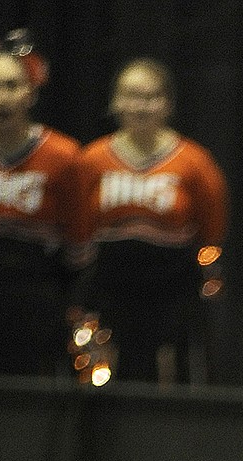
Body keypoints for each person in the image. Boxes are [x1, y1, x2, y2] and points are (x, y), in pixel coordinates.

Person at [73, 58, 228, 383]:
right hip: (111, 288)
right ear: (116, 101)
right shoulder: (92, 159)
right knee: (108, 376)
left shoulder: (194, 161)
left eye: (151, 97)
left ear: (168, 103)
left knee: (170, 376)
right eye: (131, 95)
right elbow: (78, 224)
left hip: (172, 289)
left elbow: (212, 226)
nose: (141, 106)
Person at [0, 38, 80, 376]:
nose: (0, 97)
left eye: (10, 86)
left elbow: (78, 243)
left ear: (30, 93)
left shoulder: (64, 157)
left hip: (37, 299)